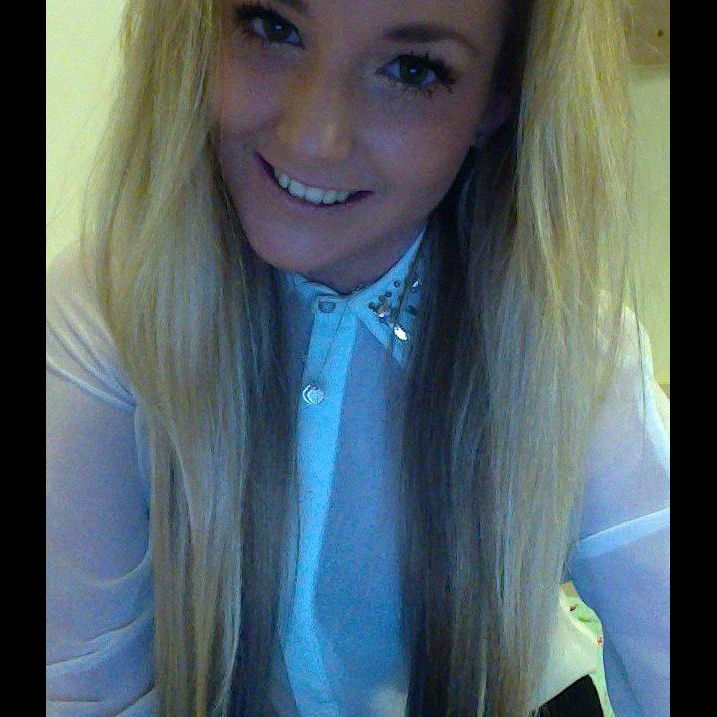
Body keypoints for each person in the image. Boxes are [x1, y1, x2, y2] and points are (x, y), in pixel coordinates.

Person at [46, 0, 669, 715]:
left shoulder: (569, 348)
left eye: (412, 70)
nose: (312, 137)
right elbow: (83, 689)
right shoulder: (108, 312)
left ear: (498, 100)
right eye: (273, 27)